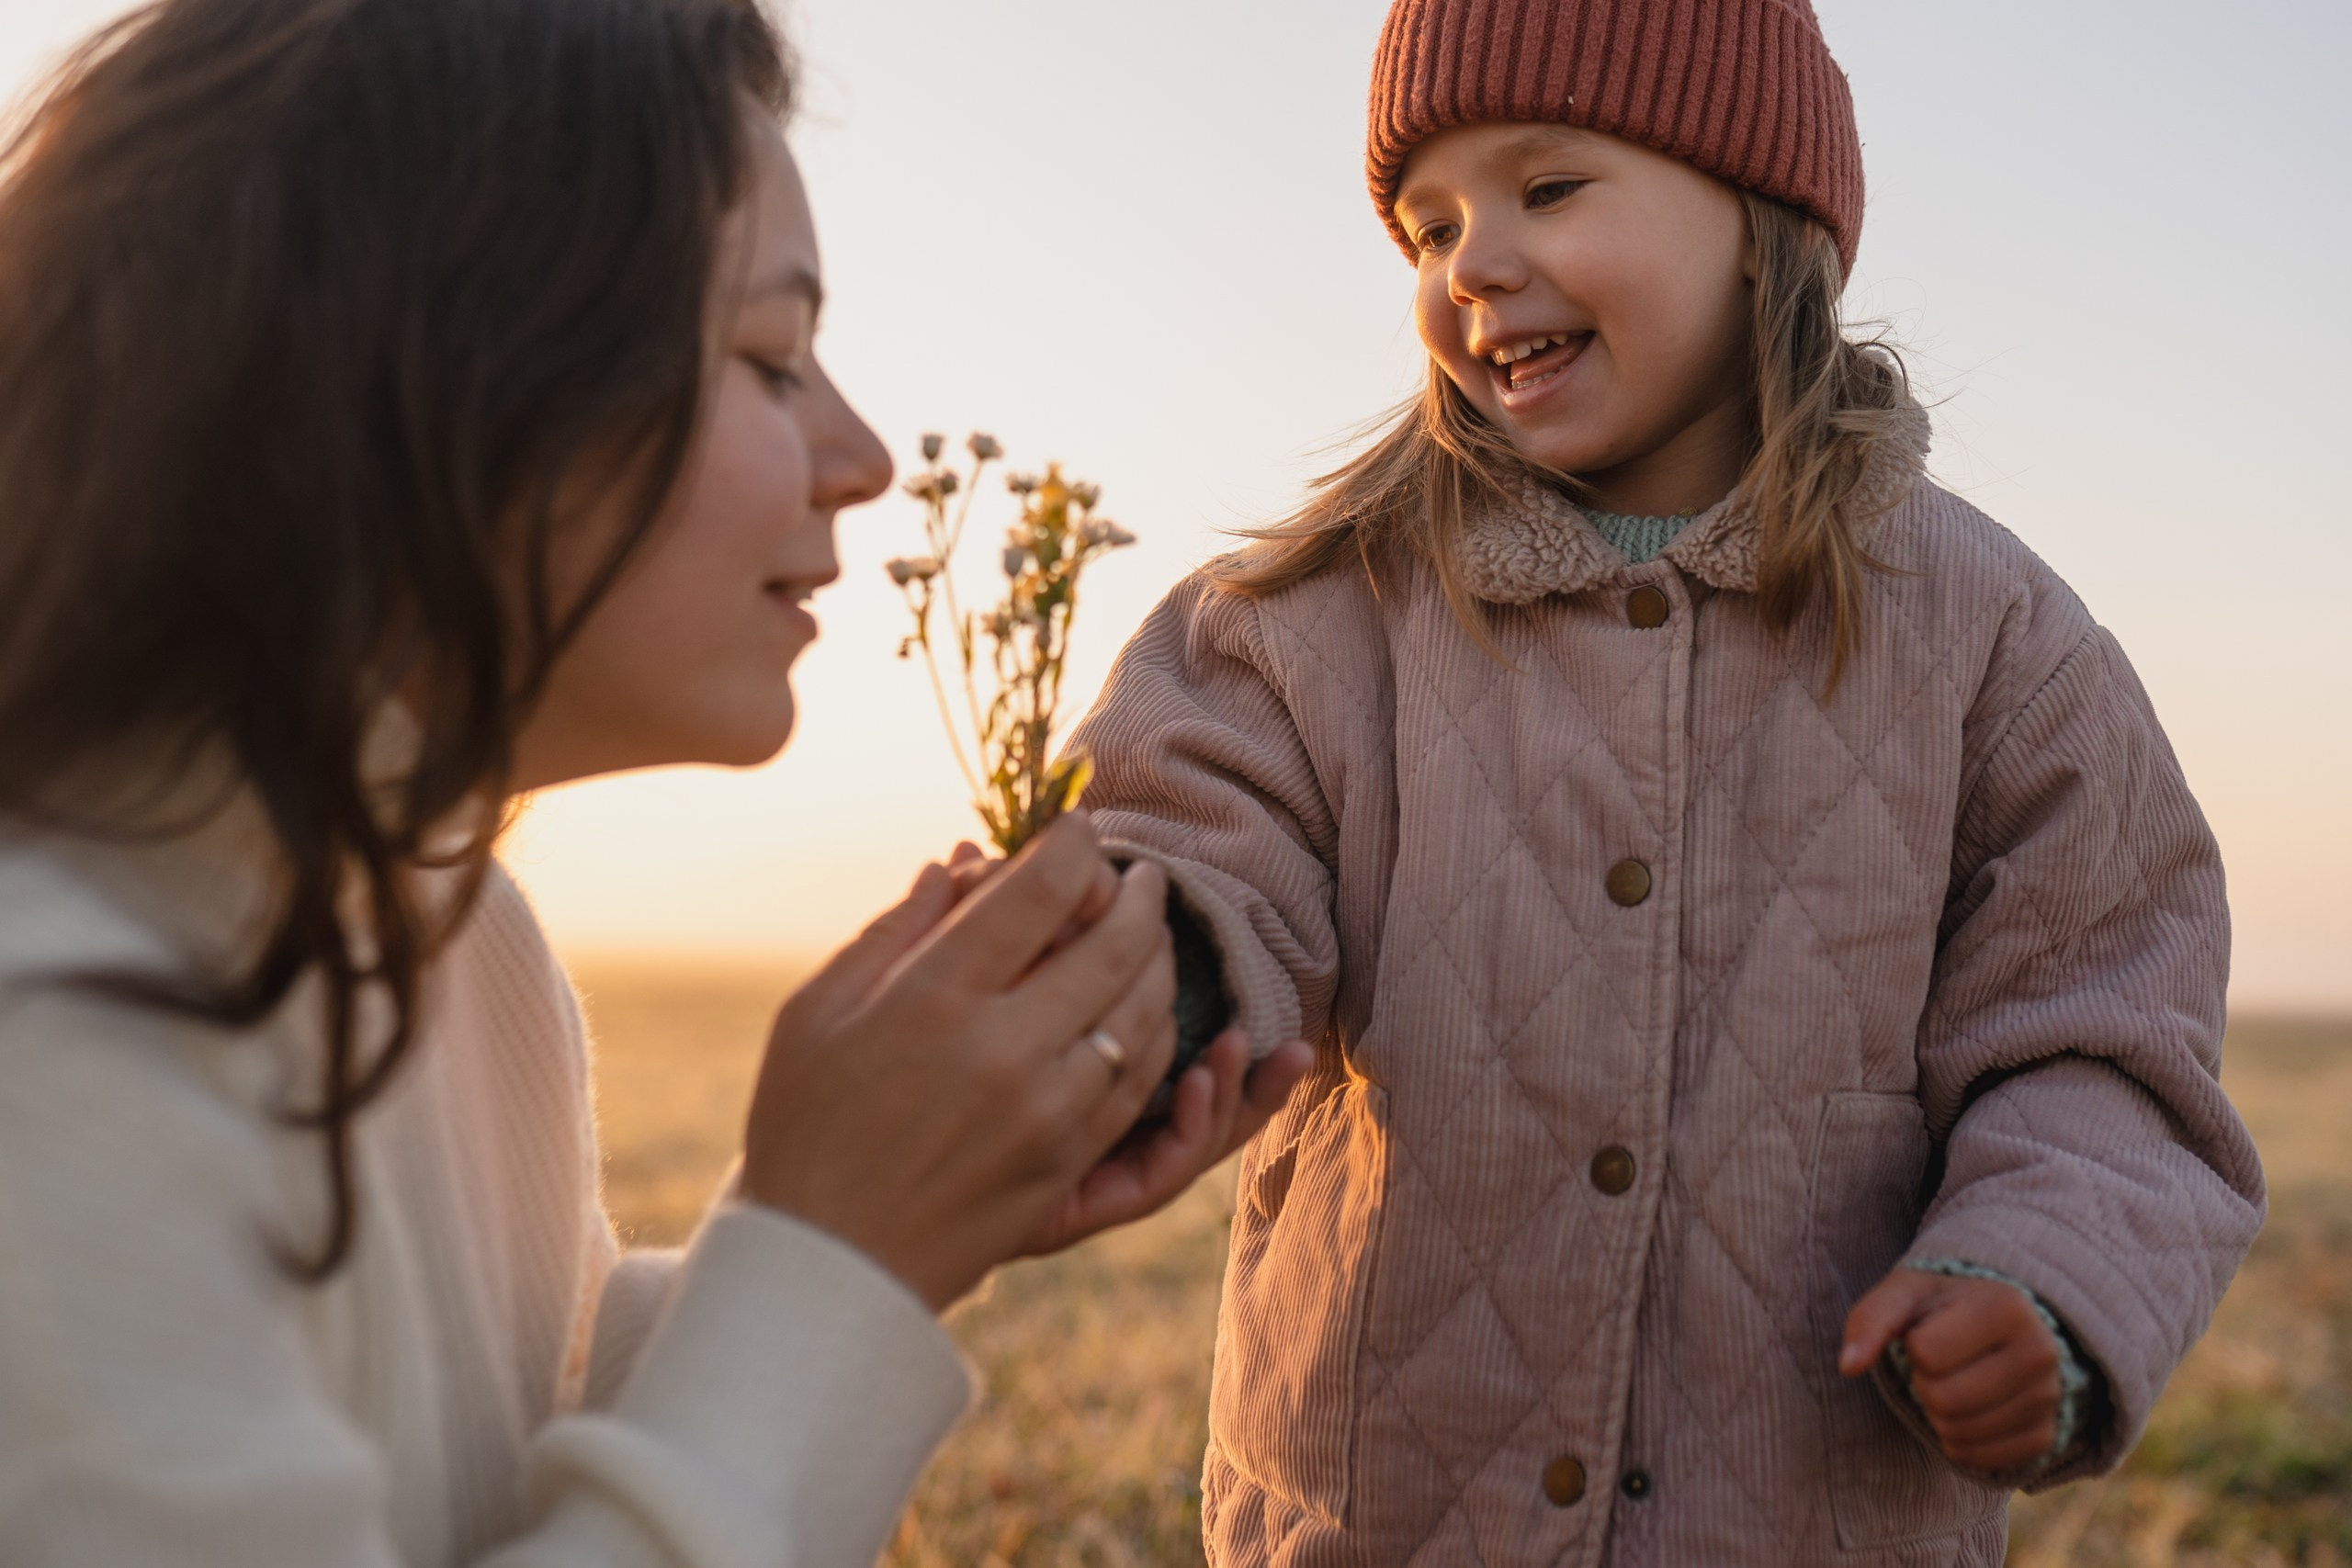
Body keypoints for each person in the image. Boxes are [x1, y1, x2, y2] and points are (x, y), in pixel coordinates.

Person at [0, 0, 1311, 1563]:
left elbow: (508, 1436)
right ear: (451, 378)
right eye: (771, 358)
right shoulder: (59, 1048)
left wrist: (891, 1215)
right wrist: (833, 1252)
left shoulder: (452, 932)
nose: (867, 456)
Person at [1063, 0, 2266, 1562]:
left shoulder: (1995, 638)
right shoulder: (1315, 621)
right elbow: (1193, 841)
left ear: (1765, 222)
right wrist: (1147, 980)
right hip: (1391, 1517)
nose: (1472, 262)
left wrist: (2042, 1276)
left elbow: (2106, 1030)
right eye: (1428, 228)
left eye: (1548, 188)